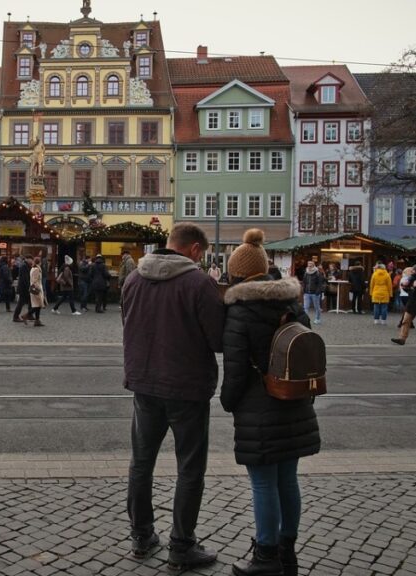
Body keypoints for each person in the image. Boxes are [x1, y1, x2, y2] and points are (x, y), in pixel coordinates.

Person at [122, 223, 224, 570]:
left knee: (141, 462)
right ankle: (181, 545)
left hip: (145, 383)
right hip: (187, 387)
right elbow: (219, 340)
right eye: (203, 253)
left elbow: (128, 324)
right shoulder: (200, 283)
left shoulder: (134, 279)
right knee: (190, 468)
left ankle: (141, 534)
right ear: (195, 249)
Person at [221, 229, 320, 576]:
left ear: (238, 274)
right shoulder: (291, 303)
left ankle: (265, 555)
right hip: (294, 400)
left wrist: (228, 402)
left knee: (263, 483)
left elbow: (234, 370)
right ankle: (287, 551)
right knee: (287, 480)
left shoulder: (241, 312)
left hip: (257, 406)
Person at [12, 255, 32, 323]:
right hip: (23, 288)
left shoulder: (27, 266)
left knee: (30, 301)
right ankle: (15, 317)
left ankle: (30, 315)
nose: (31, 261)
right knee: (21, 303)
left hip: (25, 287)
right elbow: (25, 278)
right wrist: (28, 287)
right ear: (27, 259)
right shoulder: (24, 266)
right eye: (30, 259)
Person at [27, 257, 46, 326]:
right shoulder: (37, 269)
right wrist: (38, 289)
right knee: (38, 305)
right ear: (39, 262)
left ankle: (37, 321)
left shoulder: (33, 268)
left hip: (35, 289)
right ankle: (27, 315)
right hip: (36, 289)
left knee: (38, 305)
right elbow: (35, 280)